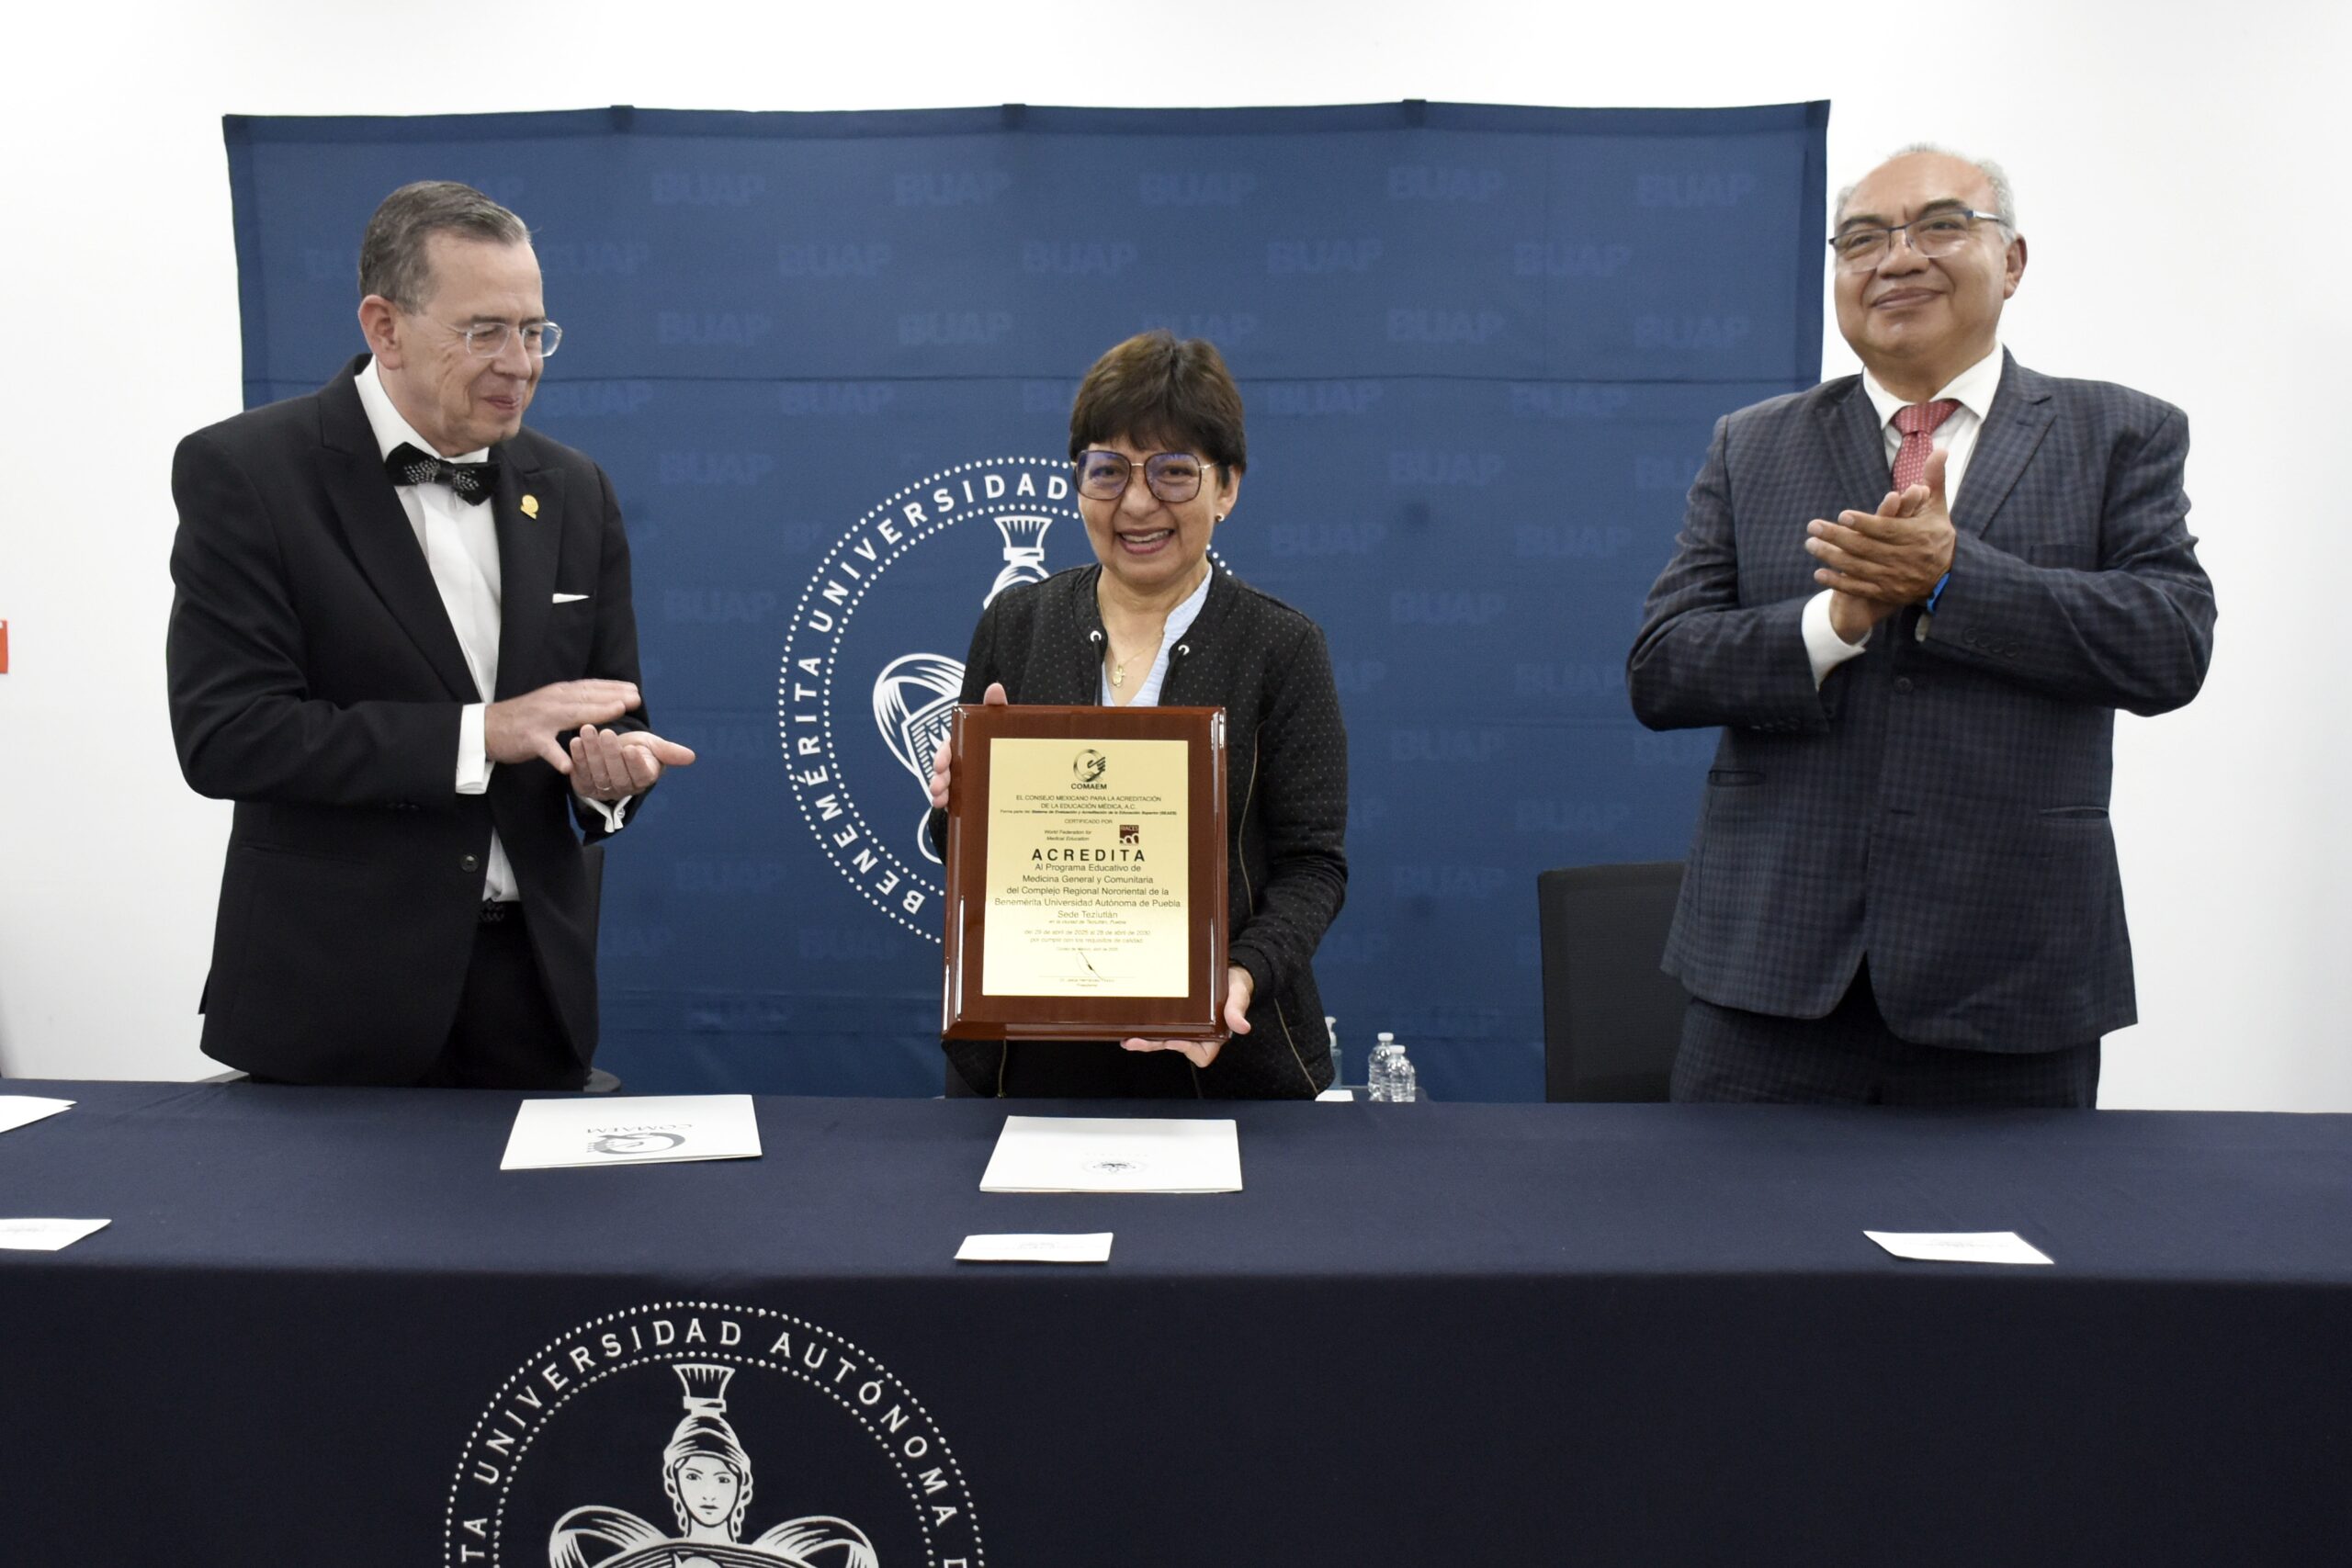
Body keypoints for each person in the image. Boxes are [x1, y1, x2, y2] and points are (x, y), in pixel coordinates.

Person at [1625, 146, 2215, 1107]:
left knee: (2002, 1255)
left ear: (2012, 262)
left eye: (1940, 227)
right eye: (1861, 239)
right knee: (1734, 1254)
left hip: (2011, 981)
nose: (1896, 259)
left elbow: (2168, 645)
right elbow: (1662, 670)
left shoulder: (2119, 433)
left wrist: (1952, 578)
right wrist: (1836, 621)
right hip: (1770, 983)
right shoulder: (1753, 442)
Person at [166, 181, 694, 1089]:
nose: (519, 362)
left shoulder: (574, 489)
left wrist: (610, 779)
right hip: (331, 1002)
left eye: (533, 331)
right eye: (483, 330)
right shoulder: (246, 473)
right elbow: (228, 737)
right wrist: (476, 734)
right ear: (385, 326)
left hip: (534, 999)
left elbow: (603, 711)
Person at [924, 331, 1348, 1098]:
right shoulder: (1014, 624)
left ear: (1228, 489)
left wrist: (1241, 978)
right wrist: (960, 805)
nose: (1139, 501)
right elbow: (969, 859)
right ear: (1078, 481)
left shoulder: (1283, 646)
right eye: (1109, 471)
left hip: (1224, 1068)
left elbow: (1313, 865)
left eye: (1175, 473)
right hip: (1028, 1066)